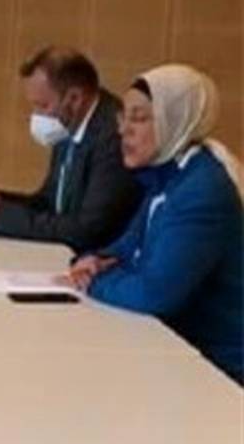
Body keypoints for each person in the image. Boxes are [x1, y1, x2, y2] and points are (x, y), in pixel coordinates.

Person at [68, 64, 242, 384]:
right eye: (123, 117)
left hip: (221, 370)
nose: (124, 131)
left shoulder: (200, 191)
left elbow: (154, 293)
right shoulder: (168, 176)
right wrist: (95, 259)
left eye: (139, 118)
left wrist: (93, 282)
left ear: (174, 121)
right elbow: (128, 246)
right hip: (182, 349)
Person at [0, 46, 140, 252]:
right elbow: (49, 204)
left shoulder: (114, 136)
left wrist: (0, 215)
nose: (37, 116)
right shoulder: (69, 122)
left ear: (75, 99)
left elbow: (87, 231)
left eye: (43, 106)